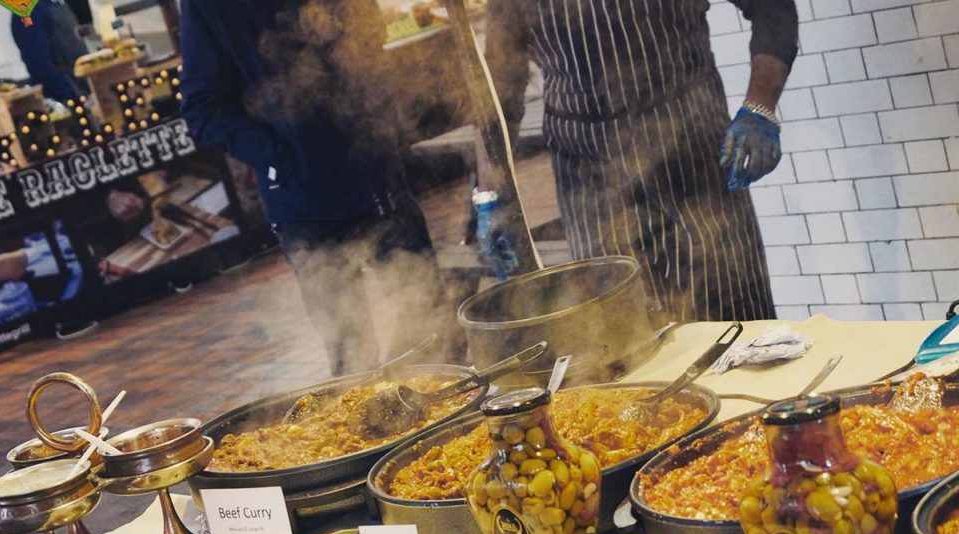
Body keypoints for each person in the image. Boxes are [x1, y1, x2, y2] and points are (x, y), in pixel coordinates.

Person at [180, 0, 463, 376]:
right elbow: (202, 109)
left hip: (374, 173)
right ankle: (372, 430)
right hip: (301, 202)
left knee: (429, 324)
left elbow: (370, 32)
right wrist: (277, 153)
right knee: (351, 352)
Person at [482, 0, 797, 322]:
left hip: (691, 152)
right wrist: (492, 196)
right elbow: (500, 84)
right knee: (620, 331)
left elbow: (772, 7)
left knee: (736, 319)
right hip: (587, 174)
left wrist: (760, 108)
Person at [11, 0, 88, 102]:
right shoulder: (27, 12)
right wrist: (71, 96)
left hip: (84, 86)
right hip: (72, 95)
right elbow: (38, 64)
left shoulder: (55, 3)